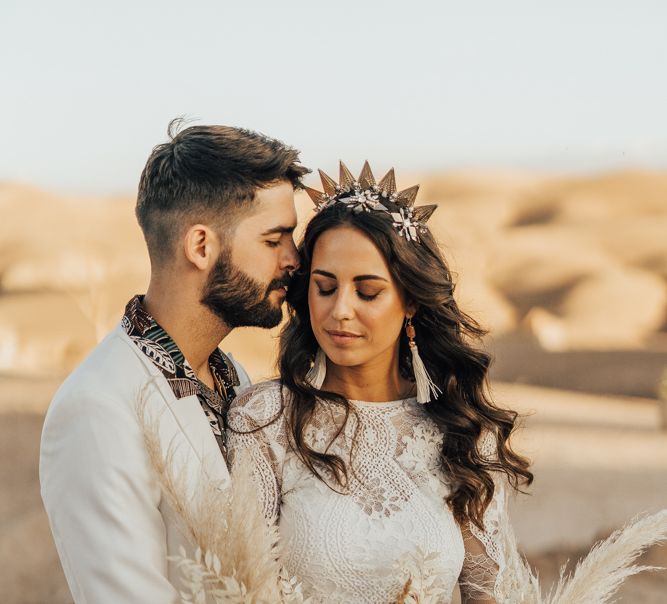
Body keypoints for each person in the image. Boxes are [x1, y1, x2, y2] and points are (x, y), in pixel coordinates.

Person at [226, 161, 533, 603]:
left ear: (410, 301)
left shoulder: (461, 431)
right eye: (325, 287)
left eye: (367, 292)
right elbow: (241, 588)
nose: (341, 310)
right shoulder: (264, 421)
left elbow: (488, 595)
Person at [39, 120, 308, 602]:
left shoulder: (236, 380)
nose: (294, 259)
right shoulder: (97, 409)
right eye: (274, 240)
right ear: (201, 246)